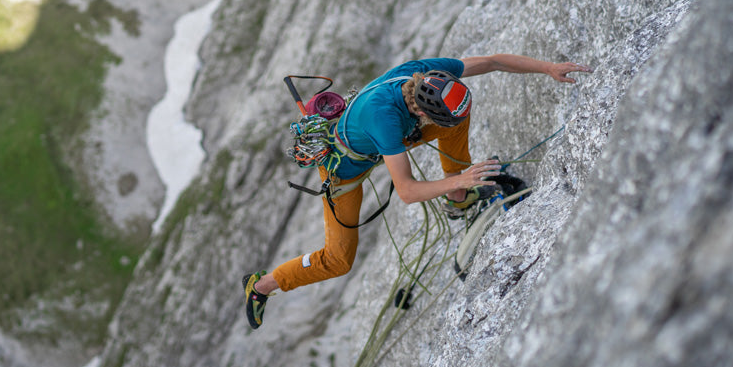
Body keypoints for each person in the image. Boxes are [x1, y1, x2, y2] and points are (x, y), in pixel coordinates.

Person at [243, 54, 591, 329]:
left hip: (383, 138)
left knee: (459, 116)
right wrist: (463, 178)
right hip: (344, 174)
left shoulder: (427, 74)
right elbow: (407, 191)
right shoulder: (385, 118)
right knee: (338, 260)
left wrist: (548, 68)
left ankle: (458, 203)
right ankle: (262, 286)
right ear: (422, 109)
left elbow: (492, 62)